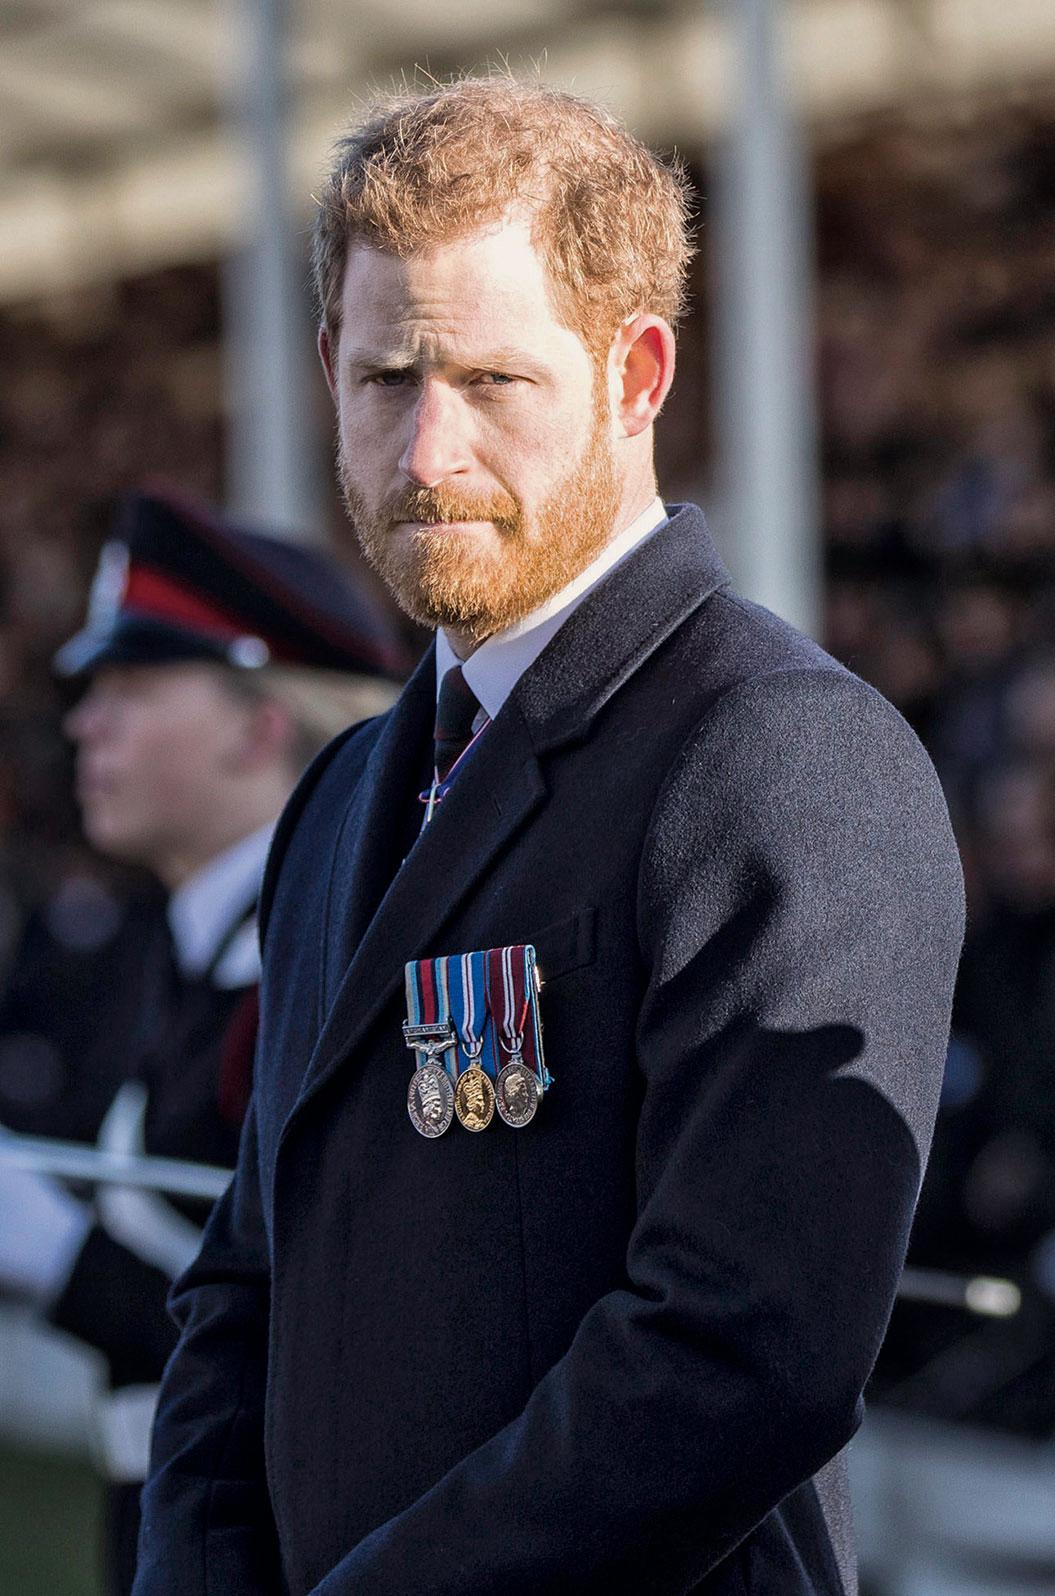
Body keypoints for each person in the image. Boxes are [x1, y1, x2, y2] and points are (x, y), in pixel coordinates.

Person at [134, 79, 966, 1596]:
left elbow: (742, 1348)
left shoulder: (781, 753)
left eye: (493, 382)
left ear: (634, 372)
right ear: (325, 366)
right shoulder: (342, 794)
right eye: (387, 378)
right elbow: (242, 1287)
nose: (429, 452)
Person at [0, 486, 404, 1595]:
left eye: (130, 688)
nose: (84, 721)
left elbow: (316, 1336)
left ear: (259, 723)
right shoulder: (196, 948)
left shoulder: (313, 960)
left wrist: (41, 1243)